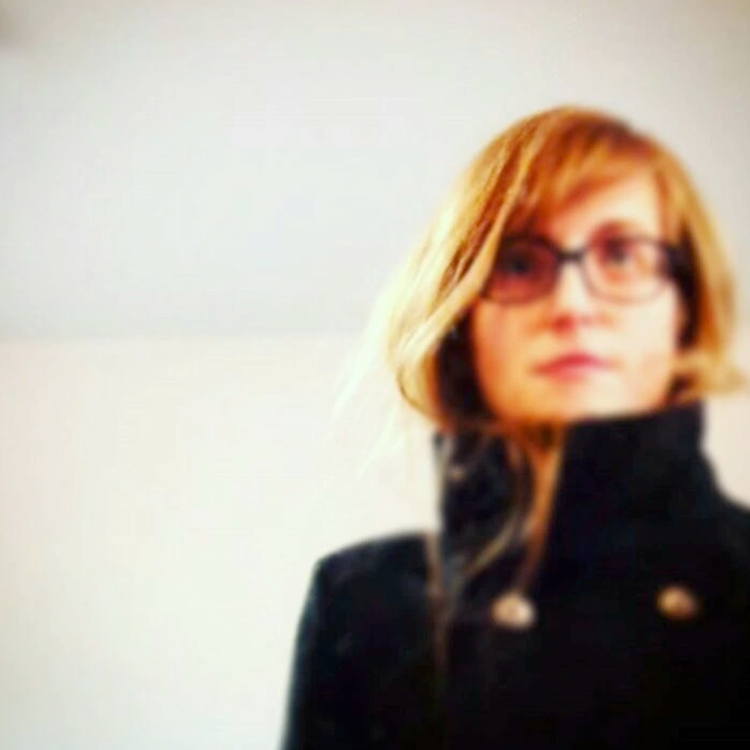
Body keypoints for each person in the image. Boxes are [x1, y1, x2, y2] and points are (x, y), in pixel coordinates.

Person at [279, 104, 750, 749]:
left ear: (685, 310)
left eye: (621, 255)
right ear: (462, 321)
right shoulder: (362, 604)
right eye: (521, 263)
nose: (573, 305)